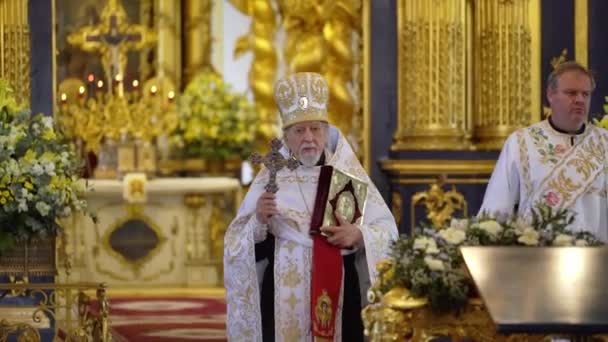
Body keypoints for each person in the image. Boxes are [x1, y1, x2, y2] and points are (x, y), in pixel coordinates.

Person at [224, 72, 398, 341]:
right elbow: (237, 243)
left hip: (341, 293)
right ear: (286, 136)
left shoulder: (347, 176)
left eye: (315, 128)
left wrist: (359, 234)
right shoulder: (271, 177)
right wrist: (258, 220)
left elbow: (387, 230)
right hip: (282, 297)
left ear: (326, 132)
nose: (308, 138)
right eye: (299, 130)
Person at [479, 61, 608, 240]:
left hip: (598, 258)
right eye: (571, 93)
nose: (579, 99)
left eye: (585, 94)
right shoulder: (522, 143)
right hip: (538, 258)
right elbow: (497, 208)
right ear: (551, 95)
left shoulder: (604, 142)